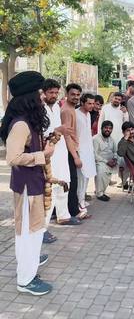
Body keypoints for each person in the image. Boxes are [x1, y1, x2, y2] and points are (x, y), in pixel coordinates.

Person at [0, 71, 54, 295]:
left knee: (34, 232)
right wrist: (42, 155)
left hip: (34, 184)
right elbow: (12, 158)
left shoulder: (29, 121)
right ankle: (25, 280)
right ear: (29, 96)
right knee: (26, 234)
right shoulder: (21, 124)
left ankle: (30, 270)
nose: (43, 97)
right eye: (40, 92)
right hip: (26, 188)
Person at [43, 79, 81, 244]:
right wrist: (59, 130)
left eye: (55, 92)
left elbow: (61, 132)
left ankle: (63, 216)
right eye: (50, 92)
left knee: (64, 183)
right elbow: (42, 133)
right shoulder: (40, 109)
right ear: (44, 93)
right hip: (48, 155)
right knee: (48, 190)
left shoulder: (57, 107)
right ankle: (42, 229)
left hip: (61, 152)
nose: (53, 95)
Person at [61, 83, 84, 218]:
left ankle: (71, 210)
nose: (75, 97)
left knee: (72, 181)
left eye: (77, 95)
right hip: (68, 151)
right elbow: (67, 135)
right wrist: (75, 156)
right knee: (72, 182)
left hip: (72, 149)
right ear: (67, 94)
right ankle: (73, 212)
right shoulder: (66, 111)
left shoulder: (71, 109)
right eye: (73, 94)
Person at [76, 93, 97, 212]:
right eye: (89, 103)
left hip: (88, 150)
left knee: (87, 176)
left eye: (93, 103)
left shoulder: (88, 114)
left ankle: (82, 199)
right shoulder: (75, 114)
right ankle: (79, 202)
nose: (92, 105)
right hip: (79, 151)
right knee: (81, 177)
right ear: (82, 103)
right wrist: (76, 153)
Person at [93, 121, 118, 201]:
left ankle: (100, 191)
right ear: (101, 128)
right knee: (101, 171)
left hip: (110, 162)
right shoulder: (96, 139)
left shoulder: (112, 139)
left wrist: (114, 159)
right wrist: (106, 161)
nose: (108, 130)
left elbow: (115, 151)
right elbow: (95, 154)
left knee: (121, 162)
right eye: (106, 128)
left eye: (110, 128)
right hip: (99, 161)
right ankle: (99, 194)